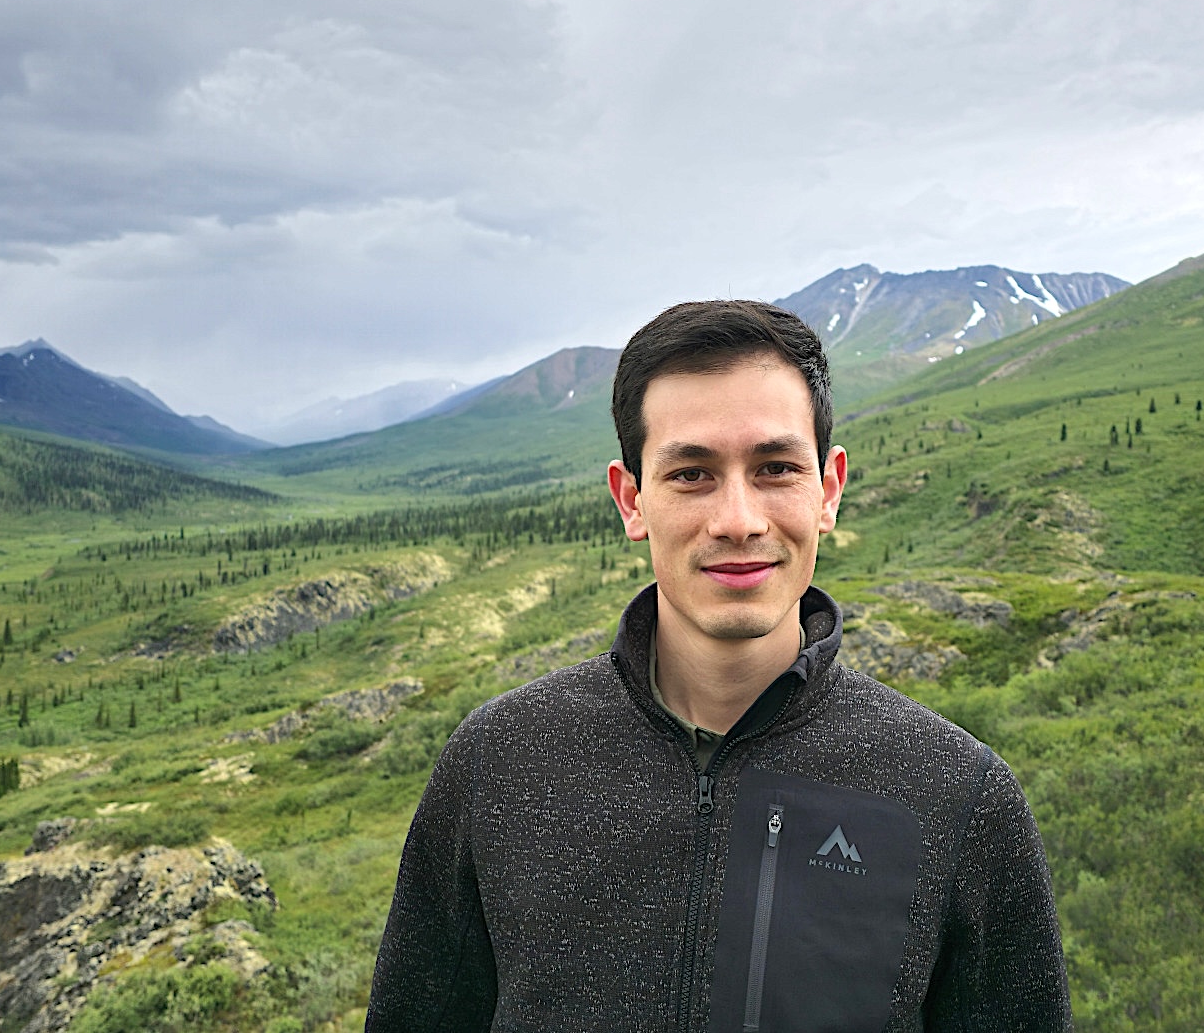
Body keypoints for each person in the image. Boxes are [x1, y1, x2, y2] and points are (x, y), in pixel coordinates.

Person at [365, 300, 1069, 1031]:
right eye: (692, 474)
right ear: (632, 500)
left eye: (776, 468)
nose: (738, 520)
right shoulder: (500, 761)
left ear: (828, 491)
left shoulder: (957, 793)